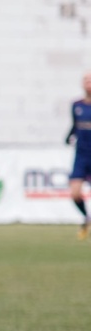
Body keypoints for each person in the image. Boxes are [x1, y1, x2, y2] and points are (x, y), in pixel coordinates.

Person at [65, 71, 91, 240]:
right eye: (86, 80)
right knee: (75, 193)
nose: (88, 83)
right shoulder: (76, 105)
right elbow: (75, 125)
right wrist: (68, 136)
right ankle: (86, 218)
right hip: (81, 156)